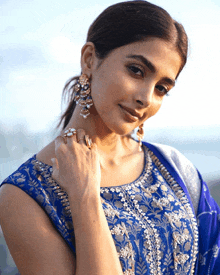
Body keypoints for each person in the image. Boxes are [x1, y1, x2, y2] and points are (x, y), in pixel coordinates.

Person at [0, 1, 219, 274]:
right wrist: (85, 197)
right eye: (136, 70)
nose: (145, 98)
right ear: (90, 59)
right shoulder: (24, 196)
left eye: (161, 88)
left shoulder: (175, 170)